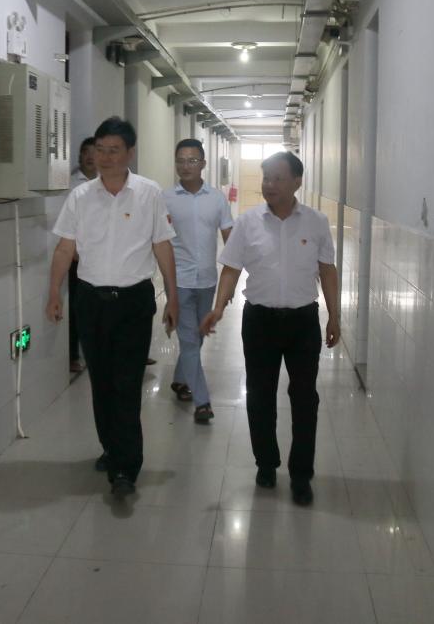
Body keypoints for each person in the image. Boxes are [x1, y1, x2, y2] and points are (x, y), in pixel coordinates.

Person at [46, 116, 179, 497]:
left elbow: (162, 246)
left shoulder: (149, 193)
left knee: (127, 384)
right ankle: (111, 447)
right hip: (91, 301)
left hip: (133, 302)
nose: (105, 157)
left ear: (129, 153)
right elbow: (65, 248)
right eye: (100, 150)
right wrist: (54, 293)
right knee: (101, 382)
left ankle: (126, 468)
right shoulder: (80, 196)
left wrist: (173, 296)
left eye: (113, 150)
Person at [199, 151, 338, 506]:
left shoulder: (316, 222)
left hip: (303, 321)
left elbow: (327, 270)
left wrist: (334, 316)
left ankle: (301, 474)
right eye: (265, 178)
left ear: (297, 182)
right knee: (260, 395)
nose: (269, 185)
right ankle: (266, 463)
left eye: (278, 178)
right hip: (259, 320)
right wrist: (218, 307)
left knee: (305, 399)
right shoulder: (248, 223)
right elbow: (231, 268)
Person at [162, 139, 233, 423]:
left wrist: (230, 284)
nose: (185, 166)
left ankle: (180, 379)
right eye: (180, 161)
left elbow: (230, 240)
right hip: (179, 281)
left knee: (198, 335)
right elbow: (159, 241)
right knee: (190, 340)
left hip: (207, 280)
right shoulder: (165, 199)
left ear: (203, 164)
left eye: (192, 160)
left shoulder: (217, 199)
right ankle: (202, 402)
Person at [68, 137, 97, 374]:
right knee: (76, 309)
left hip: (101, 259)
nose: (89, 156)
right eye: (85, 152)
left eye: (93, 152)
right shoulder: (70, 185)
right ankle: (72, 355)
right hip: (76, 259)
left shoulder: (106, 183)